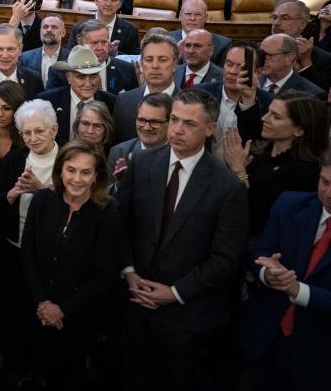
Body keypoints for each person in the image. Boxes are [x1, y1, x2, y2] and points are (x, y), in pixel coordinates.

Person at [115, 89, 249, 391]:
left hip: (187, 316)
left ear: (210, 129)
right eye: (174, 119)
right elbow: (120, 224)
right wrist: (129, 272)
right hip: (134, 304)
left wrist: (174, 292)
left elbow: (226, 258)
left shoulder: (226, 186)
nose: (176, 129)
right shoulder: (142, 163)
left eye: (188, 124)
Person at [20, 140, 122, 389]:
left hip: (80, 317)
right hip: (39, 311)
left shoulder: (107, 211)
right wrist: (43, 302)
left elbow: (104, 274)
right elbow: (28, 255)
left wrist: (62, 310)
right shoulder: (43, 200)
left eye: (85, 172)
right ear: (60, 171)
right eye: (71, 170)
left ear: (96, 176)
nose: (77, 178)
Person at [240, 152, 331, 391]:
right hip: (266, 341)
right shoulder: (290, 205)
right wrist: (267, 274)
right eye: (325, 182)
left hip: (319, 357)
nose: (329, 193)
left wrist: (297, 290)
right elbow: (260, 253)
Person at [0, 99, 59, 376]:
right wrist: (11, 194)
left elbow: (78, 207)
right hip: (13, 248)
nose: (32, 138)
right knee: (12, 310)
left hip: (51, 255)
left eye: (39, 131)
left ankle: (41, 369)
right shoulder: (14, 160)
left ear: (53, 130)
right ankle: (12, 366)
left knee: (42, 314)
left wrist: (42, 190)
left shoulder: (68, 159)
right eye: (26, 132)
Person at [222, 91, 327, 236]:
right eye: (268, 112)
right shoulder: (260, 156)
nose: (264, 118)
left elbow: (258, 216)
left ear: (299, 130)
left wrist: (240, 172)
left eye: (276, 117)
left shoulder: (305, 173)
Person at [37, 45, 116, 146]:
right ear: (68, 78)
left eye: (93, 76)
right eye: (81, 77)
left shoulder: (112, 103)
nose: (88, 84)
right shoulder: (47, 102)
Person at [112, 32, 180, 142]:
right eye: (149, 59)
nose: (155, 66)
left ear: (175, 65)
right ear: (142, 64)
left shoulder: (188, 105)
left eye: (162, 60)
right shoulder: (124, 101)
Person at [107, 93, 172, 185]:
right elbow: (108, 196)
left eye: (154, 122)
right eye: (141, 120)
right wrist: (121, 184)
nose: (146, 128)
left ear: (170, 123)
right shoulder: (119, 153)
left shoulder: (179, 154)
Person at [269, 0, 331, 91]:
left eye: (285, 18)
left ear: (302, 24)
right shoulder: (257, 50)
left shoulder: (324, 59)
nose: (276, 23)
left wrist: (306, 64)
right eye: (274, 18)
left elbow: (320, 97)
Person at [66, 0, 141, 55]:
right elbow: (69, 56)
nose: (109, 4)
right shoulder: (79, 28)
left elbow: (135, 61)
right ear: (96, 0)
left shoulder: (131, 30)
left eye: (114, 0)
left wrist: (116, 54)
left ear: (119, 4)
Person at [257, 34, 324, 99]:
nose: (262, 60)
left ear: (289, 58)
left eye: (269, 55)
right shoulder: (252, 82)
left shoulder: (311, 94)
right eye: (260, 54)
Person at [170, 0, 232, 65]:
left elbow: (222, 74)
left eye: (198, 15)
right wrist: (175, 58)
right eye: (188, 14)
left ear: (206, 17)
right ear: (180, 16)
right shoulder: (166, 40)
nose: (192, 18)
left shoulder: (223, 44)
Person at [19, 14, 68, 84]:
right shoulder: (25, 57)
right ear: (40, 31)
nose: (49, 30)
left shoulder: (71, 58)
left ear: (63, 33)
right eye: (45, 27)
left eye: (54, 27)